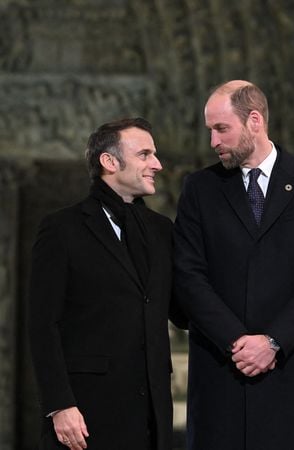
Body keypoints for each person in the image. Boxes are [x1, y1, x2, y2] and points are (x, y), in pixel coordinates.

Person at [173, 80, 294, 450]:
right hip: (221, 370)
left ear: (254, 120)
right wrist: (237, 342)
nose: (213, 142)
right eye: (210, 131)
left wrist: (273, 341)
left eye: (221, 129)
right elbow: (188, 276)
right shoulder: (199, 189)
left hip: (292, 371)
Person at [28, 118, 183, 450]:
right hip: (85, 416)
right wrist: (59, 405)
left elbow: (182, 310)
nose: (157, 164)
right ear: (109, 162)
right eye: (144, 154)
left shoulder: (161, 230)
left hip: (151, 418)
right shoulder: (61, 229)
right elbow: (43, 325)